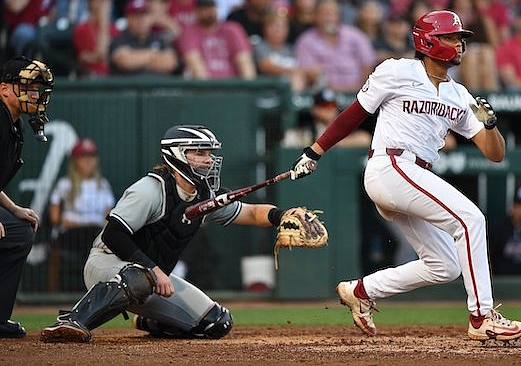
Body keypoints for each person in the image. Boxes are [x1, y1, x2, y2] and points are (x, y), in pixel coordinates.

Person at [288, 10, 521, 342]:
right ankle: (482, 317)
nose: (460, 44)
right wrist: (315, 151)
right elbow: (355, 114)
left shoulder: (458, 94)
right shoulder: (396, 70)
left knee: (445, 266)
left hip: (412, 177)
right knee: (470, 219)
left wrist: (491, 126)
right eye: (452, 37)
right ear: (429, 41)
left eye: (461, 38)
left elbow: (494, 153)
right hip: (391, 167)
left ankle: (361, 290)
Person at [40, 124, 309, 343]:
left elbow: (249, 213)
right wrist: (155, 270)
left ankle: (149, 320)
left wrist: (283, 215)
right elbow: (113, 235)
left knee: (216, 322)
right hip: (107, 264)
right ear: (179, 154)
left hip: (149, 277)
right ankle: (73, 321)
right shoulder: (150, 189)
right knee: (139, 278)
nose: (209, 159)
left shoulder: (204, 195)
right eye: (201, 153)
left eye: (209, 153)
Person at [0, 56, 54, 338]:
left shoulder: (13, 124)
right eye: (28, 86)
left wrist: (14, 208)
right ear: (4, 89)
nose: (36, 94)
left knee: (19, 230)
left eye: (38, 88)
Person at [47, 138, 115, 292]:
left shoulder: (102, 185)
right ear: (75, 161)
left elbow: (109, 216)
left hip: (96, 233)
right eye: (83, 158)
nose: (88, 162)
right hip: (70, 236)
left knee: (104, 237)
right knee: (90, 235)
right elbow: (55, 218)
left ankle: (104, 289)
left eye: (91, 157)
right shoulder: (65, 184)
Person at [294, 0, 376, 93]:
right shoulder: (306, 41)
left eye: (332, 14)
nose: (329, 18)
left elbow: (368, 63)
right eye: (325, 14)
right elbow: (308, 71)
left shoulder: (355, 35)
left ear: (339, 16)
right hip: (325, 94)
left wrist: (362, 89)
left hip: (359, 93)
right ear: (315, 17)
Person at [177, 0, 256, 80]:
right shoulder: (189, 31)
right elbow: (194, 63)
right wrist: (210, 89)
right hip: (202, 88)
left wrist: (248, 87)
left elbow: (244, 61)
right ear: (197, 11)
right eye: (205, 8)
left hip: (232, 85)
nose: (209, 12)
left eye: (211, 7)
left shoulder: (232, 29)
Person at [109, 0, 179, 76]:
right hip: (129, 87)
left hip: (158, 86)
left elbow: (170, 63)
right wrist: (154, 54)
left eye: (145, 15)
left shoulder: (159, 39)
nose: (141, 19)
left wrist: (138, 60)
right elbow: (125, 61)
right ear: (128, 18)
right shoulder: (119, 39)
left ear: (151, 17)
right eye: (137, 15)